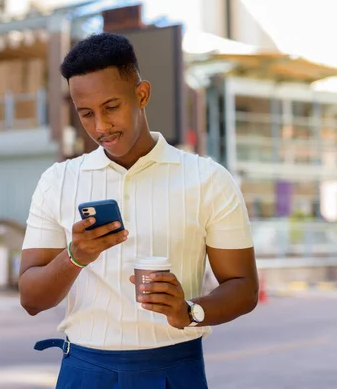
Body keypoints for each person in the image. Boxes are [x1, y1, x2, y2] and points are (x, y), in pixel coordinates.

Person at [18, 32, 258, 389]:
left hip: (174, 371)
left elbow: (244, 288)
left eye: (111, 107)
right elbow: (31, 299)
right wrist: (75, 256)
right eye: (86, 113)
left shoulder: (208, 179)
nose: (100, 127)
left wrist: (190, 312)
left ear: (142, 94)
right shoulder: (58, 181)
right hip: (84, 372)